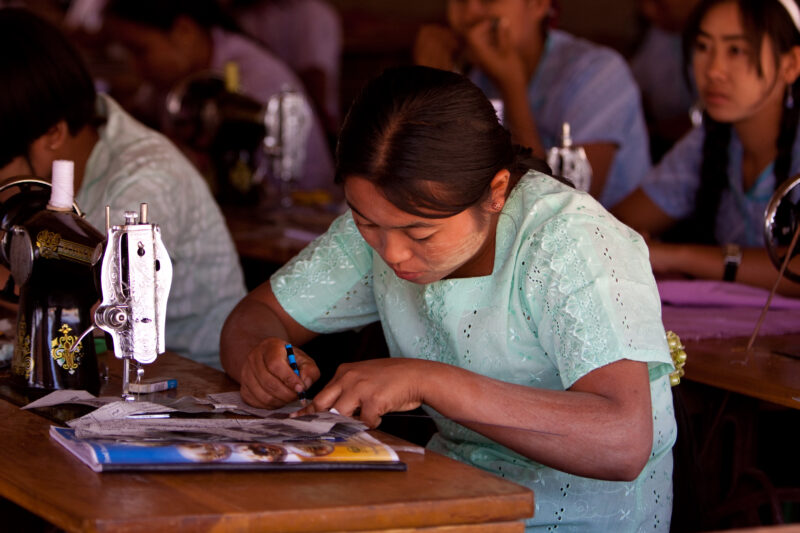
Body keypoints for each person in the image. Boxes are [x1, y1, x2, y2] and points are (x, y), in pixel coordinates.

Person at [221, 65, 677, 532]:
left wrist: (428, 381)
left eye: (420, 232)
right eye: (365, 223)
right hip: (451, 500)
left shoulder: (570, 240)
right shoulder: (388, 219)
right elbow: (255, 315)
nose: (392, 252)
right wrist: (260, 358)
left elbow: (622, 440)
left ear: (496, 193)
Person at [0, 7, 247, 368]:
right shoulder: (67, 143)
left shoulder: (146, 182)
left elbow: (90, 312)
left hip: (195, 380)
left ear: (53, 133)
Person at [613, 0, 800, 297]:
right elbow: (615, 222)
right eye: (702, 47)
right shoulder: (709, 141)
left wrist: (677, 256)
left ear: (790, 64)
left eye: (736, 50)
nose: (714, 70)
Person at [413, 0, 651, 209]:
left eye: (489, 0)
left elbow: (560, 205)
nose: (469, 14)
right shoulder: (476, 76)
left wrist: (511, 86)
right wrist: (435, 84)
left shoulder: (597, 73)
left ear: (538, 4)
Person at [103, 0, 335, 196]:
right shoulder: (172, 79)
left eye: (140, 51)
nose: (135, 66)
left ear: (184, 31)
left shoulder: (253, 77)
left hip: (298, 207)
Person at [222, 0, 343, 143]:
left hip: (304, 125)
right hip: (260, 125)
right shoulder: (245, 15)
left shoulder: (311, 14)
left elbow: (315, 81)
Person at [630, 0, 701, 162]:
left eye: (659, 4)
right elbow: (638, 88)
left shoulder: (710, 43)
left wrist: (656, 130)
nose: (648, 11)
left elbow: (706, 119)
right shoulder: (659, 34)